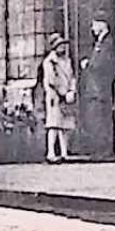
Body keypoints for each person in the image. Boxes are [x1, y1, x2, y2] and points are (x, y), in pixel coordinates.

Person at [76, 14, 115, 160]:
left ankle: (104, 151)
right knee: (96, 120)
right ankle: (98, 150)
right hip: (96, 89)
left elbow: (103, 64)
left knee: (101, 120)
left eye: (94, 25)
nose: (92, 28)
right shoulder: (100, 42)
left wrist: (88, 64)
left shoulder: (108, 42)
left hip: (101, 89)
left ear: (102, 25)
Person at [41, 33, 77, 164]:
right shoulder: (50, 62)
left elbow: (72, 77)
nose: (62, 48)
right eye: (60, 45)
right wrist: (63, 93)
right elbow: (52, 80)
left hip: (67, 94)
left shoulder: (67, 61)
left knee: (65, 125)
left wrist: (72, 90)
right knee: (54, 125)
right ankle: (51, 152)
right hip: (55, 96)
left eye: (63, 45)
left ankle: (64, 152)